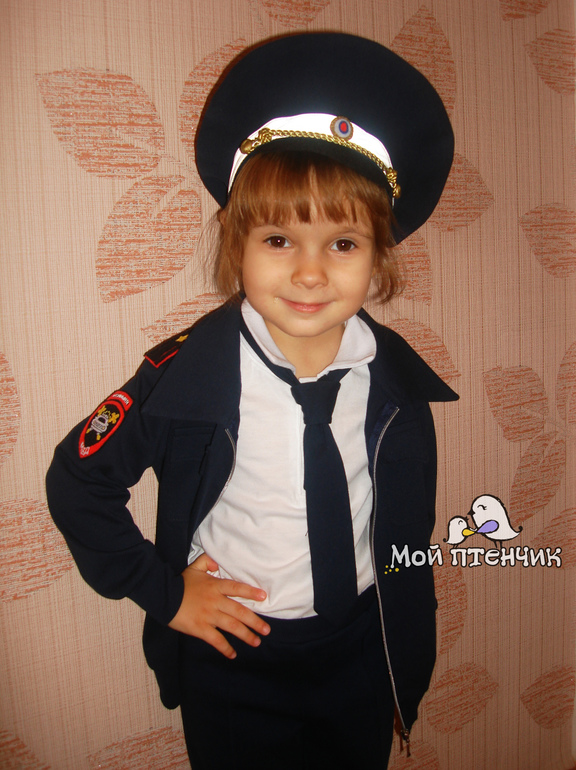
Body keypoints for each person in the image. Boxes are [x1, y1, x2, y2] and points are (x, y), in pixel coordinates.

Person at [46, 32, 458, 769]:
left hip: (363, 653)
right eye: (278, 239)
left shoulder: (396, 383)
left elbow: (403, 532)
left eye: (342, 243)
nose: (309, 272)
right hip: (238, 660)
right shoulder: (187, 372)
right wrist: (167, 595)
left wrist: (405, 647)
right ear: (237, 242)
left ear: (378, 256)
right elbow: (79, 480)